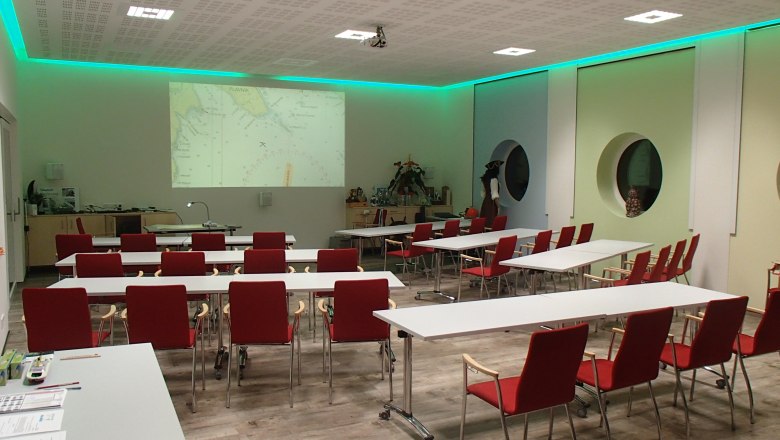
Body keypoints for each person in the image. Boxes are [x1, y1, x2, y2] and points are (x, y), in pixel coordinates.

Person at [480, 160, 503, 227]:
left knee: (485, 223)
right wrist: (499, 207)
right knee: (491, 223)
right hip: (492, 204)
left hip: (485, 203)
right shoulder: (494, 179)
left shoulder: (485, 179)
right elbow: (494, 195)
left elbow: (483, 193)